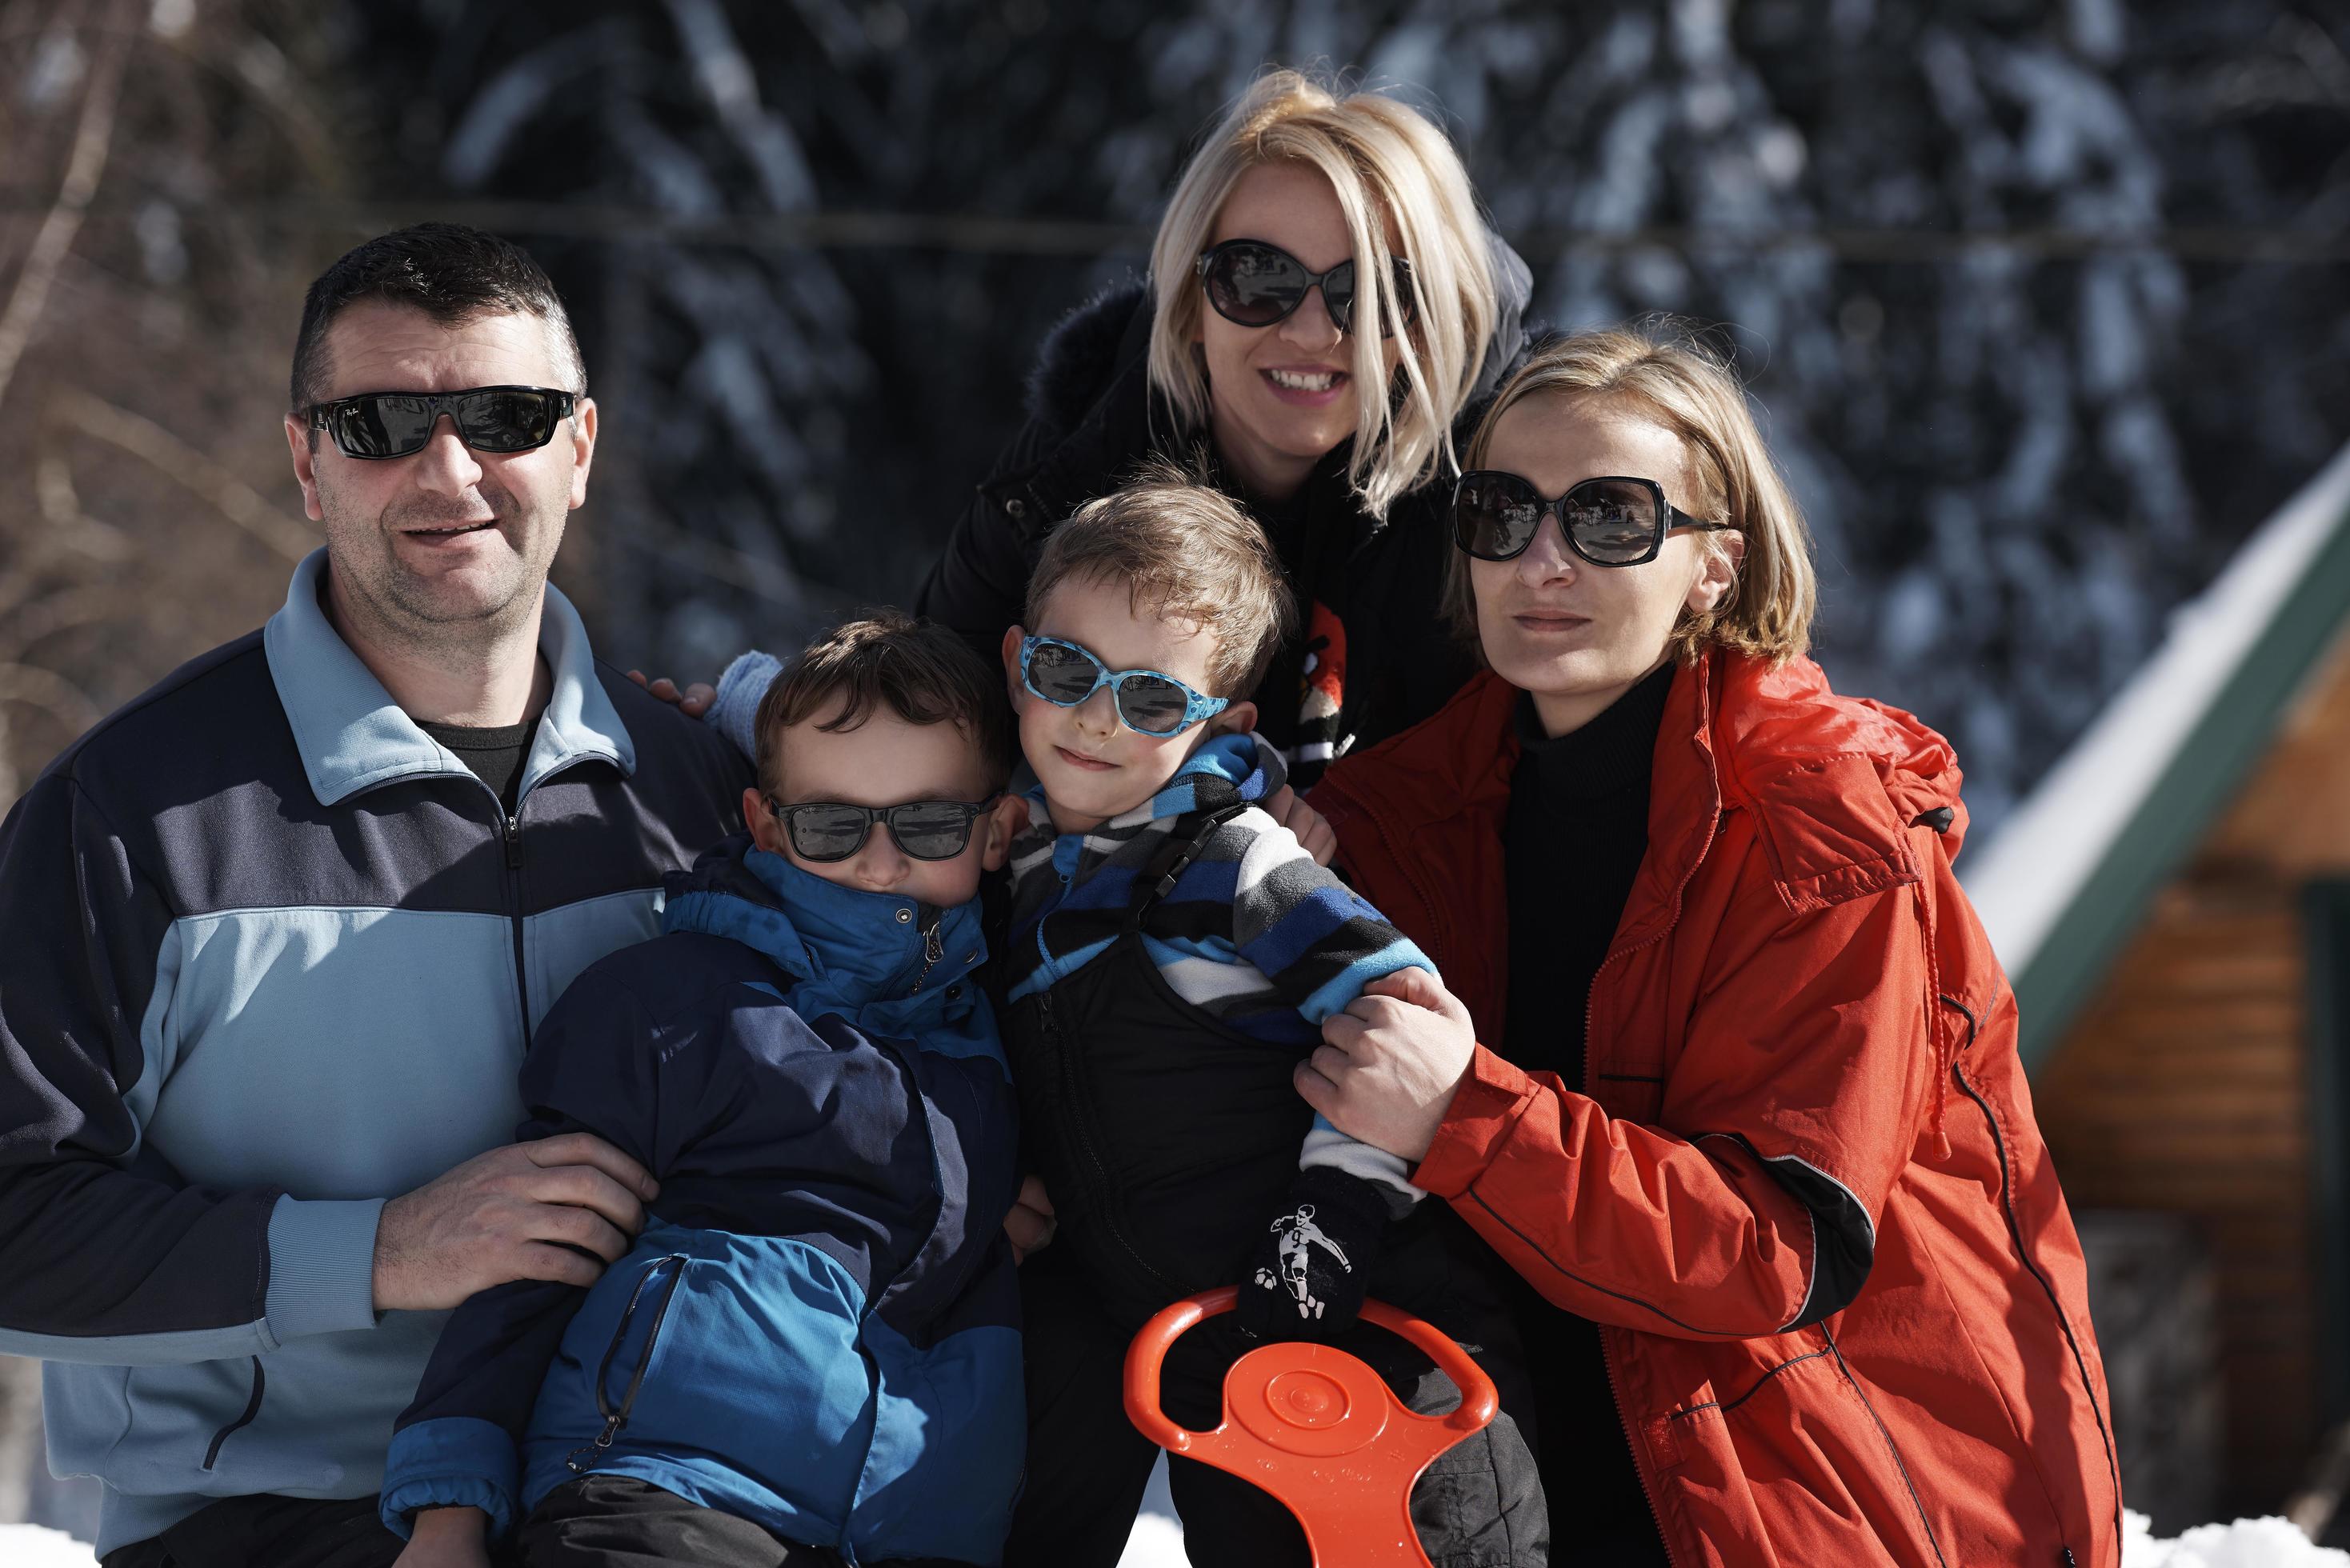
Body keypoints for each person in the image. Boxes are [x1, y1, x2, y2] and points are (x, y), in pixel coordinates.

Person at [1304, 325, 2124, 1565]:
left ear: (1712, 569)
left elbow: (1767, 1250)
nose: (1544, 558)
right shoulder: (1392, 820)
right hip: (1521, 1481)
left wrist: (1459, 1114)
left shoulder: (1817, 830)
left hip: (1812, 1488)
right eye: (1503, 511)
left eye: (1613, 519)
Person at [0, 223, 746, 1568]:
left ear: (579, 449)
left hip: (655, 1488)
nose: (448, 468)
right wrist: (385, 1252)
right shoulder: (131, 817)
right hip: (275, 1518)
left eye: (504, 417)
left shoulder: (700, 794)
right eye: (382, 420)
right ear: (306, 462)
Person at [381, 612, 1030, 1568]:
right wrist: (448, 1511)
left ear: (998, 832)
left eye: (928, 822)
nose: (880, 861)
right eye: (833, 823)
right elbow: (534, 1253)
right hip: (662, 1488)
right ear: (767, 824)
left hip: (910, 1524)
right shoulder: (675, 1003)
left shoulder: (1003, 1034)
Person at [979, 469, 1543, 1568]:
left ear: (1221, 723)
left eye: (1151, 699)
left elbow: (1398, 1008)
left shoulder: (1238, 863)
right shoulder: (1025, 869)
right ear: (1017, 665)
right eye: (1066, 670)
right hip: (1227, 1379)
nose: (1097, 717)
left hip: (1376, 1354)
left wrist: (1324, 1218)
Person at [912, 67, 1533, 787]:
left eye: (1369, 292)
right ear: (1188, 305)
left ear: (1428, 324)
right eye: (1256, 278)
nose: (1310, 333)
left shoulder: (1504, 505)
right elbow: (929, 743)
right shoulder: (1072, 473)